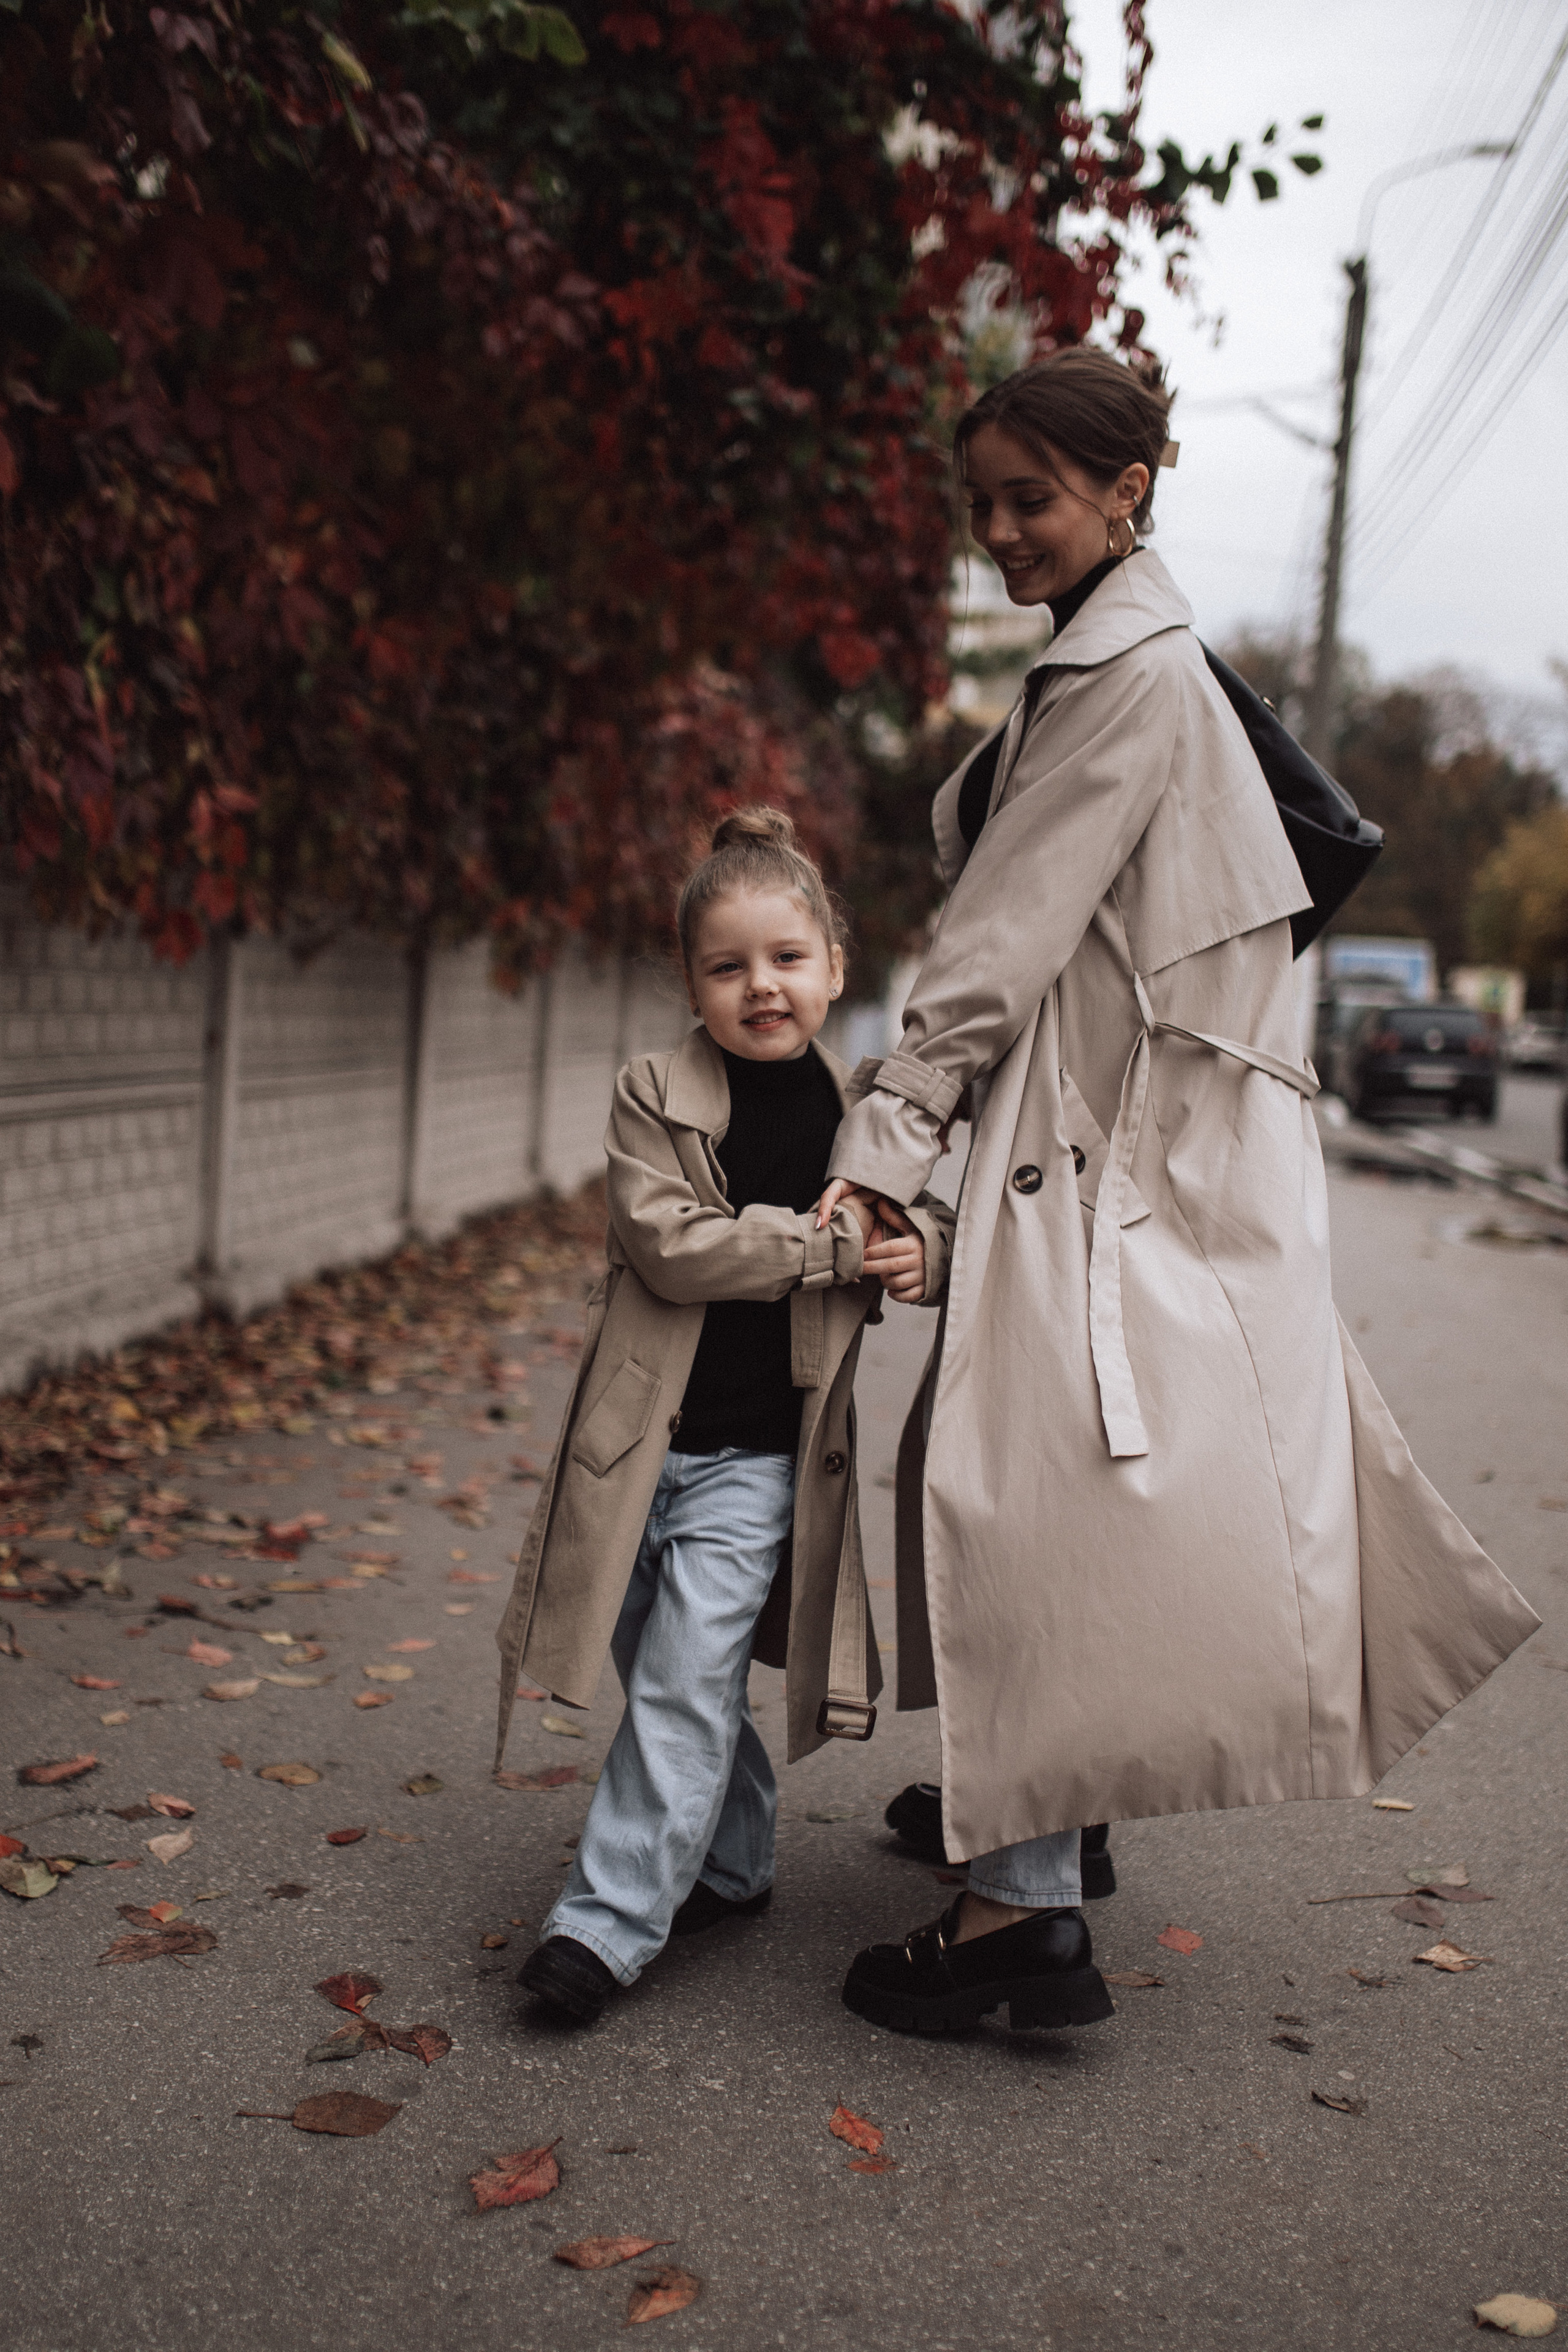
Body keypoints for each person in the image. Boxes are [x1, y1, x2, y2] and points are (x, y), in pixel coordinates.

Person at [818, 347, 1539, 2038]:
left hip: (1111, 1152)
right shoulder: (1136, 653)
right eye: (980, 503)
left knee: (1039, 1488)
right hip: (1158, 1145)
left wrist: (882, 1148)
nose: (999, 532)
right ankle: (1049, 1799)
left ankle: (1021, 1914)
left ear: (1127, 491)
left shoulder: (1126, 677)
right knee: (1066, 1488)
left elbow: (999, 943)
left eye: (1032, 500)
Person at [496, 807, 954, 2026]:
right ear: (690, 984)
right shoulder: (652, 1093)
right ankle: (735, 1864)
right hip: (635, 1447)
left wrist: (918, 1253)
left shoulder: (865, 1118)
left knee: (685, 1683)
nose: (762, 986)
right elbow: (670, 1246)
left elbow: (927, 1221)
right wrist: (823, 1249)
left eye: (787, 959)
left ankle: (601, 1926)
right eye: (727, 965)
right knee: (665, 1669)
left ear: (834, 969)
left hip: (761, 1462)